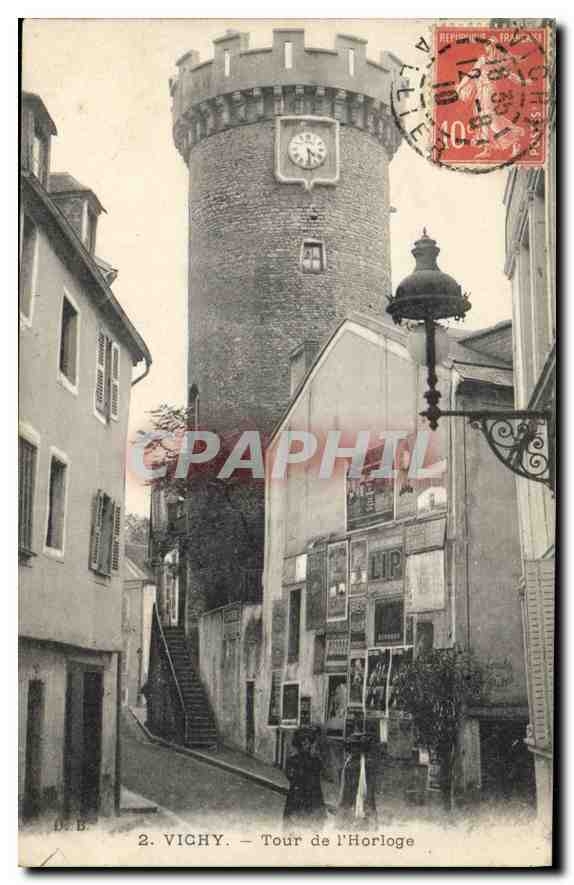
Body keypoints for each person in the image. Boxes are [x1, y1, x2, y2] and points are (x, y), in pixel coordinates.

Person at [283, 726, 327, 830]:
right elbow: (290, 776)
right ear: (299, 744)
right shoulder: (293, 761)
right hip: (297, 799)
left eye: (308, 741)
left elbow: (321, 772)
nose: (306, 744)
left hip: (313, 799)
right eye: (303, 741)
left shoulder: (315, 761)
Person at [336, 730, 379, 830]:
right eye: (353, 747)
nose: (355, 749)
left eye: (358, 747)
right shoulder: (348, 763)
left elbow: (370, 785)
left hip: (362, 797)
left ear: (362, 748)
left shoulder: (366, 764)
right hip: (351, 797)